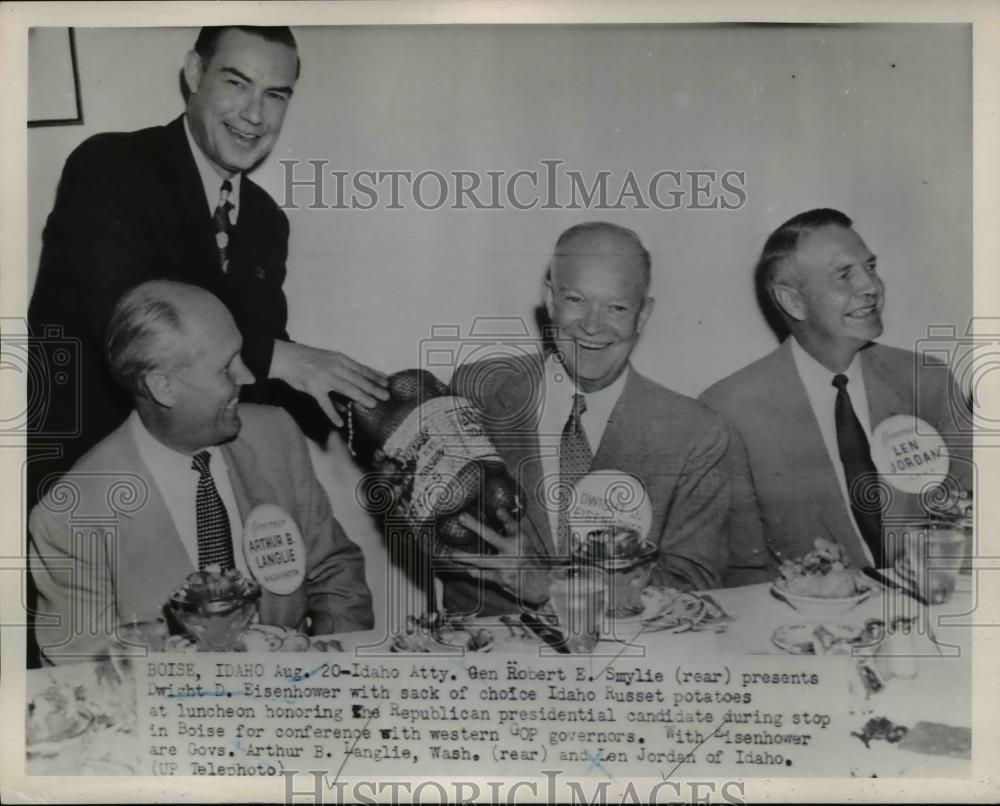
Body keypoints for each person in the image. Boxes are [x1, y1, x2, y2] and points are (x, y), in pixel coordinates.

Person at [27, 25, 388, 508]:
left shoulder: (265, 219)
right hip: (82, 477)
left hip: (197, 481)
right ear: (195, 73)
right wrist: (282, 358)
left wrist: (371, 412)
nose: (255, 115)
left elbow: (257, 365)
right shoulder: (111, 165)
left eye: (275, 95)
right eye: (237, 83)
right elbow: (124, 323)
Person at [29, 281, 373, 665]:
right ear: (163, 387)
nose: (247, 376)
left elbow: (336, 573)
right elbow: (82, 670)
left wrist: (332, 672)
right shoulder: (71, 515)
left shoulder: (275, 435)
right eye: (226, 367)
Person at [442, 222, 764, 616]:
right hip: (491, 645)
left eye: (617, 307)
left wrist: (550, 587)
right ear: (550, 299)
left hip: (631, 649)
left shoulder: (695, 433)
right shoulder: (478, 391)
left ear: (642, 315)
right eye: (576, 299)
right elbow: (439, 543)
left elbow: (691, 583)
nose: (593, 325)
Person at [700, 208, 972, 570]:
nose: (871, 287)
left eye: (870, 267)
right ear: (793, 301)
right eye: (844, 275)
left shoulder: (928, 380)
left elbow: (975, 515)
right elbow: (742, 570)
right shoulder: (730, 410)